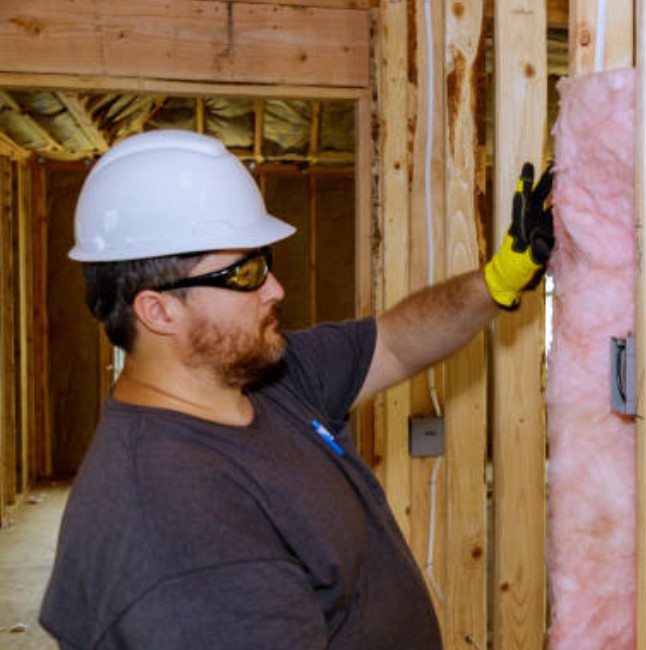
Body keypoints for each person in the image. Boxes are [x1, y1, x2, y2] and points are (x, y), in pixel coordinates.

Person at [39, 130, 554, 649]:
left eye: (266, 262)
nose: (275, 289)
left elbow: (396, 342)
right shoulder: (178, 528)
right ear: (158, 310)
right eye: (246, 274)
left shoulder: (264, 379)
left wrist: (500, 279)